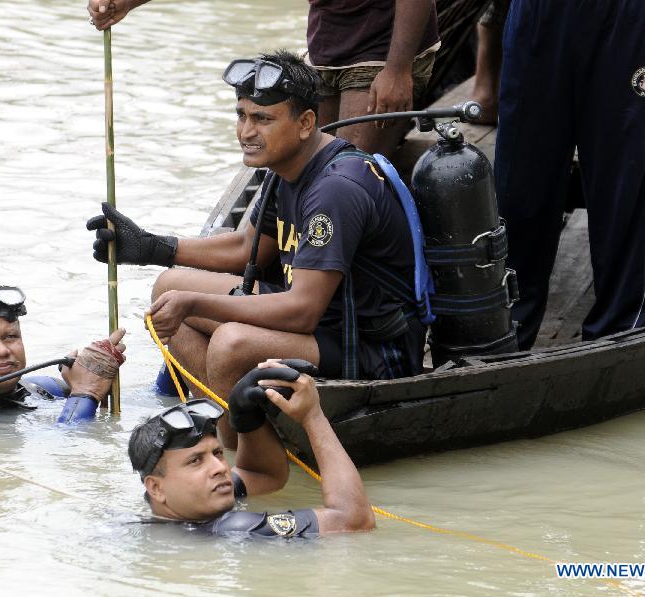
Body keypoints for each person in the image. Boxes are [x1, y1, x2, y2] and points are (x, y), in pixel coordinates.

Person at [87, 50, 427, 446]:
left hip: (368, 346)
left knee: (231, 344)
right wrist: (150, 247)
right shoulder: (286, 169)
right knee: (168, 286)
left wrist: (194, 303)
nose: (246, 131)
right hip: (323, 323)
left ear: (305, 123)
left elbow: (301, 311)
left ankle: (241, 459)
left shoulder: (336, 188)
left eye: (263, 119)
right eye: (241, 116)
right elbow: (245, 246)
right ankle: (215, 427)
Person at [495, 0, 645, 349]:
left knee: (625, 188)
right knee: (519, 189)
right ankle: (506, 334)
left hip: (625, 23)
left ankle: (620, 337)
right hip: (539, 20)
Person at [86, 0, 438, 159]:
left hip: (383, 47)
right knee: (304, 162)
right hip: (328, 46)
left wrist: (397, 70)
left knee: (349, 172)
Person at [129, 360, 375, 536]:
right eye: (195, 461)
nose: (220, 468)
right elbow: (354, 521)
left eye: (217, 453)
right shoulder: (234, 528)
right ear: (156, 487)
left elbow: (263, 476)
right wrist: (313, 416)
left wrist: (244, 415)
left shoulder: (160, 509)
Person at [0, 285, 126, 424]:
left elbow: (150, 399)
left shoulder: (42, 388)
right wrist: (85, 393)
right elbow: (67, 452)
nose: (2, 351)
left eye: (10, 336)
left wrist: (95, 379)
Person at [307, 0, 440, 159]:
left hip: (380, 50)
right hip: (325, 48)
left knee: (349, 167)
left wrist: (397, 71)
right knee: (314, 164)